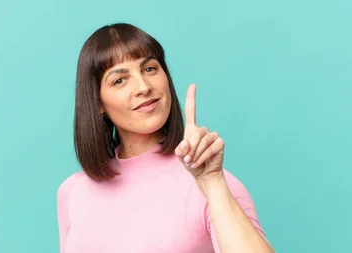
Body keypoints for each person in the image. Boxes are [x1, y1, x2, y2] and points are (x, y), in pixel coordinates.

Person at [57, 23, 275, 253]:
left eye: (149, 69)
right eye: (119, 80)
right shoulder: (73, 193)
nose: (143, 87)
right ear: (98, 102)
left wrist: (213, 184)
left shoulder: (212, 183)